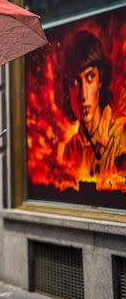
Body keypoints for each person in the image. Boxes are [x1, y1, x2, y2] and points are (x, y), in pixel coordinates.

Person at [60, 31, 126, 187]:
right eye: (75, 82)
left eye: (90, 78)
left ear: (100, 80)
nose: (83, 95)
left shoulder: (121, 137)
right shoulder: (70, 150)